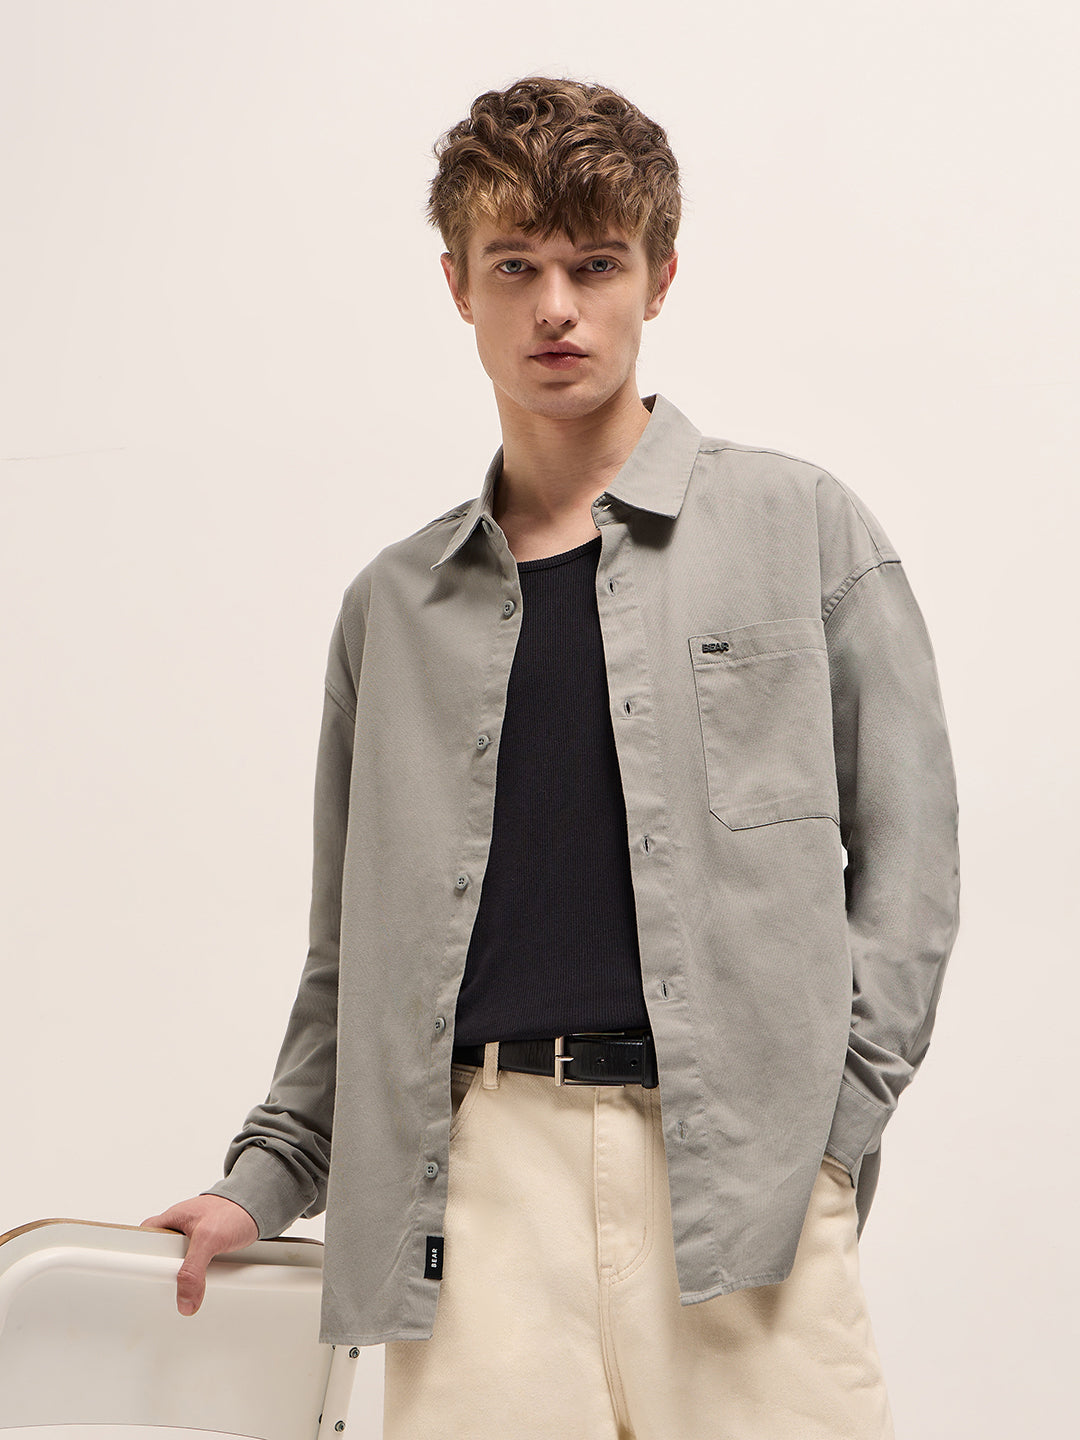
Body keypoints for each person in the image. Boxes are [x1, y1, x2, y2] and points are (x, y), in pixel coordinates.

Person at [141, 75, 960, 1439]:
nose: (556, 308)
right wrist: (266, 1178)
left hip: (745, 1197)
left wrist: (824, 1135)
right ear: (458, 286)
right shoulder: (393, 609)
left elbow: (913, 866)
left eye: (596, 264)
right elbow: (351, 951)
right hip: (478, 1199)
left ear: (661, 277)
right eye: (515, 265)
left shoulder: (804, 530)